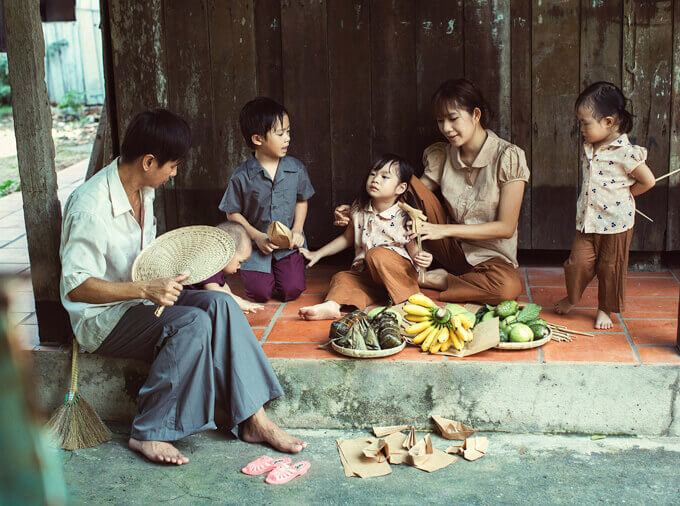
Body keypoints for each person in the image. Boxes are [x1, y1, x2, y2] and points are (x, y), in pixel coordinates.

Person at [59, 109, 306, 466]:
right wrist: (145, 290)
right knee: (191, 323)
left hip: (141, 299)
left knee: (219, 305)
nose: (175, 173)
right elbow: (78, 288)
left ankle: (255, 420)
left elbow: (146, 263)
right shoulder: (90, 207)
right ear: (148, 162)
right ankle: (149, 432)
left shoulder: (142, 190)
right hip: (104, 318)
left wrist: (191, 275)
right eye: (172, 166)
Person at [335, 79, 529, 305]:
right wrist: (358, 209)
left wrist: (441, 230)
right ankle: (392, 265)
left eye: (453, 118)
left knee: (508, 289)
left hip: (489, 257)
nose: (446, 128)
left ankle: (434, 279)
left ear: (476, 115)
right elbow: (406, 195)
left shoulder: (508, 156)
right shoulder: (442, 155)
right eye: (440, 121)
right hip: (447, 248)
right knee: (410, 183)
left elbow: (506, 228)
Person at [554, 82, 656, 329]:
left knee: (610, 268)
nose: (581, 128)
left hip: (617, 224)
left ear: (609, 122)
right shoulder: (589, 148)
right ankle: (574, 296)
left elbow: (648, 180)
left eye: (585, 122)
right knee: (577, 262)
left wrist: (628, 195)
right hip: (588, 220)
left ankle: (604, 309)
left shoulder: (626, 152)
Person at [298, 155, 432, 320]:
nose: (375, 180)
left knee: (376, 254)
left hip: (397, 275)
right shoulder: (358, 209)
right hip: (369, 276)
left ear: (400, 188)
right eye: (373, 174)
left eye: (385, 177)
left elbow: (415, 251)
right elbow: (347, 238)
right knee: (342, 277)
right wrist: (317, 253)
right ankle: (332, 306)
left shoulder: (405, 216)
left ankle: (407, 301)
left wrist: (423, 259)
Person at [219, 97, 315, 303]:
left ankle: (282, 270)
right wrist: (256, 237)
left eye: (288, 132)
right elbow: (232, 212)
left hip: (288, 244)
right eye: (280, 134)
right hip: (256, 244)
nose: (287, 138)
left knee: (292, 290)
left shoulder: (296, 168)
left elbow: (302, 200)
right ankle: (263, 271)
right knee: (259, 294)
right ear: (257, 139)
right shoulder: (241, 175)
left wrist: (297, 230)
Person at [185, 221, 264, 314]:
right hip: (182, 302)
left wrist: (235, 303)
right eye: (240, 262)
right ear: (227, 251)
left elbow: (223, 287)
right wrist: (240, 303)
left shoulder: (218, 265)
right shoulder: (208, 263)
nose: (239, 267)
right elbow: (213, 288)